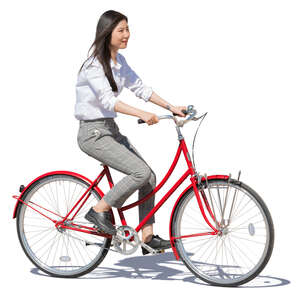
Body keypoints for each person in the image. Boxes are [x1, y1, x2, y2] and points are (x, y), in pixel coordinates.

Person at [74, 10, 187, 255]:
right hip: (92, 133)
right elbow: (108, 101)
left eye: (128, 29)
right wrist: (142, 114)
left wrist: (171, 107)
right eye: (121, 30)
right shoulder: (94, 65)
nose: (127, 35)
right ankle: (99, 209)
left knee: (149, 177)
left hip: (109, 129)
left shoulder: (119, 62)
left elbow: (140, 88)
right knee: (140, 172)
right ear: (107, 33)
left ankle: (147, 238)